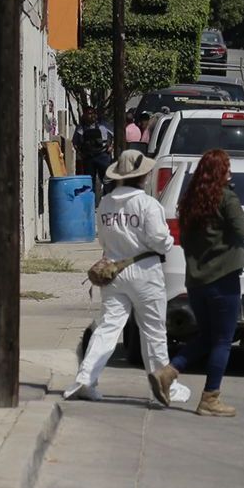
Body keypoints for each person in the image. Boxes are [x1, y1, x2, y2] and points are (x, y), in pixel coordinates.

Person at [66, 150, 192, 404]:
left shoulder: (106, 203)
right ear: (143, 175)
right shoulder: (148, 204)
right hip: (145, 271)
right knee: (153, 330)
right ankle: (165, 383)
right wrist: (167, 241)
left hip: (113, 270)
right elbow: (160, 241)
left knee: (109, 327)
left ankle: (85, 379)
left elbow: (102, 238)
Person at [149, 149, 244, 417]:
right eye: (227, 168)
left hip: (196, 282)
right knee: (222, 340)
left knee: (207, 337)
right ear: (220, 172)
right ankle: (210, 397)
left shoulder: (190, 202)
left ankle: (168, 373)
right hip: (224, 280)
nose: (230, 173)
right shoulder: (226, 198)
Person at [73, 106, 113, 196]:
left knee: (107, 181)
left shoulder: (103, 126)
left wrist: (110, 147)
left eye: (93, 113)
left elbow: (111, 136)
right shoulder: (81, 128)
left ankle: (108, 200)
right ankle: (91, 204)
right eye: (89, 114)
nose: (92, 116)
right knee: (89, 183)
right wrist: (80, 153)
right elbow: (75, 142)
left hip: (102, 155)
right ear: (85, 115)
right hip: (89, 157)